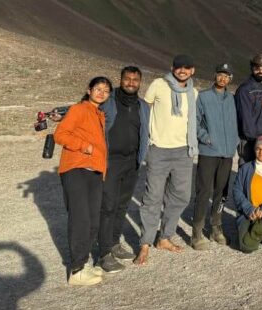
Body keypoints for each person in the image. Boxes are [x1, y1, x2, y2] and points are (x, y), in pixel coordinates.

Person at [134, 55, 198, 266]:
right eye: (179, 67)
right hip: (159, 149)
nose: (182, 70)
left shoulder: (193, 92)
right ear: (172, 68)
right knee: (153, 196)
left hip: (183, 151)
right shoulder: (158, 85)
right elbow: (144, 110)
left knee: (181, 196)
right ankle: (145, 243)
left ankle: (164, 237)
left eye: (186, 67)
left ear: (192, 71)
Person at [54, 76, 112, 286]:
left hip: (95, 173)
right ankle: (76, 270)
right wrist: (83, 146)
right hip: (76, 169)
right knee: (80, 220)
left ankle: (84, 261)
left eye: (106, 91)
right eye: (98, 89)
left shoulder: (99, 114)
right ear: (89, 90)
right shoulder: (79, 109)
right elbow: (60, 134)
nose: (101, 93)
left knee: (92, 221)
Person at [97, 66, 150, 273]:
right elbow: (86, 107)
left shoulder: (143, 106)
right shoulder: (108, 101)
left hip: (132, 161)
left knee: (122, 205)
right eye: (127, 79)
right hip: (110, 161)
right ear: (120, 80)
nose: (130, 83)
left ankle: (113, 243)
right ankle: (103, 253)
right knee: (108, 206)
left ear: (140, 82)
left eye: (135, 80)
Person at [191, 63, 238, 250]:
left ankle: (216, 227)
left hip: (227, 153)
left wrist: (234, 142)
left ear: (230, 79)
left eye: (227, 76)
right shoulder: (203, 97)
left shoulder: (232, 99)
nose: (223, 78)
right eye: (220, 75)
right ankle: (197, 232)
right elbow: (195, 121)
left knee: (222, 192)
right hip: (209, 151)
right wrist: (206, 138)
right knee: (203, 191)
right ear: (215, 75)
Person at [235, 53, 262, 164]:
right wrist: (259, 142)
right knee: (247, 172)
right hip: (250, 142)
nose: (261, 71)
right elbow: (245, 121)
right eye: (258, 68)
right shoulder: (244, 90)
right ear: (252, 68)